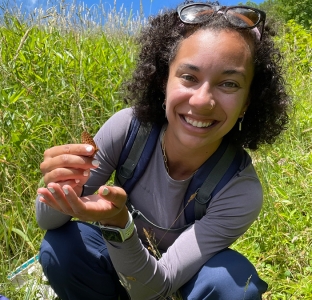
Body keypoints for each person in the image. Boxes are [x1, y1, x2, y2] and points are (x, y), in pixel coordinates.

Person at [35, 1, 290, 299]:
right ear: (162, 82)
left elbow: (156, 289)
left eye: (229, 83)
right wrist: (62, 185)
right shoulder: (128, 128)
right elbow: (48, 222)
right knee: (62, 246)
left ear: (248, 102)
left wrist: (119, 224)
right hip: (118, 264)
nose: (202, 101)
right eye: (189, 77)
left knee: (232, 284)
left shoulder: (239, 189)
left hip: (178, 280)